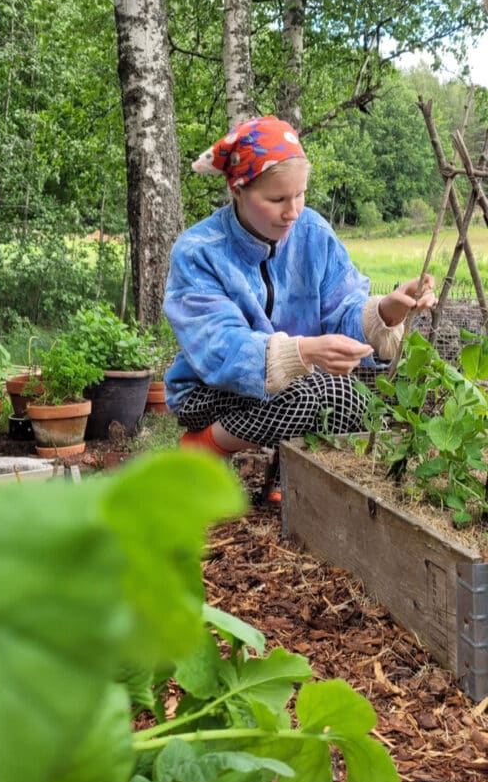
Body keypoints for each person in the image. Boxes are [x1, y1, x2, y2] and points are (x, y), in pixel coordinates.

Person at [163, 115, 437, 500]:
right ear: (238, 189)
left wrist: (389, 310)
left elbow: (344, 305)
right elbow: (219, 347)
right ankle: (204, 446)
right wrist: (304, 351)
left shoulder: (313, 232)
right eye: (276, 199)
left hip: (297, 382)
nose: (293, 211)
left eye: (300, 194)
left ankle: (286, 477)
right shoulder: (199, 251)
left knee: (351, 401)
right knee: (305, 393)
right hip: (206, 391)